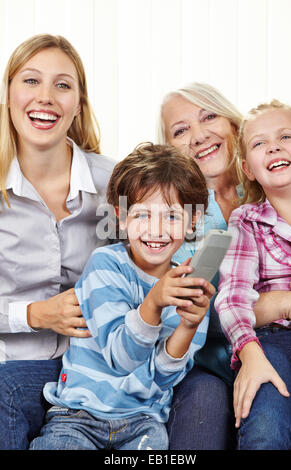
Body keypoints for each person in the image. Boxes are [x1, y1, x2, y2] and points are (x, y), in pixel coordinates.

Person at [29, 142, 215, 450]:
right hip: (78, 417)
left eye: (172, 216)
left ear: (193, 221)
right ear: (122, 217)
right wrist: (153, 302)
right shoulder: (105, 266)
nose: (157, 230)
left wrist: (187, 326)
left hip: (143, 423)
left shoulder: (192, 287)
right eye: (142, 215)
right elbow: (121, 357)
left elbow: (164, 379)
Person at [157, 82, 291, 449]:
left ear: (234, 127)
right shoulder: (172, 217)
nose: (199, 135)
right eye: (181, 130)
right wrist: (283, 302)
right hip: (210, 360)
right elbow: (191, 311)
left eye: (209, 116)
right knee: (205, 415)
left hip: (276, 342)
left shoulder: (274, 180)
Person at [0, 34, 115, 450]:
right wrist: (34, 314)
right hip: (11, 370)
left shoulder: (113, 182)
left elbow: (149, 262)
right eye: (31, 81)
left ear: (78, 104)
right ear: (9, 93)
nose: (45, 97)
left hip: (93, 372)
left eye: (62, 85)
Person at [215, 100, 291, 450]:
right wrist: (250, 354)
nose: (274, 146)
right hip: (272, 343)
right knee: (265, 427)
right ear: (248, 169)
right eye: (260, 143)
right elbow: (233, 295)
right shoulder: (246, 220)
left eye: (285, 136)